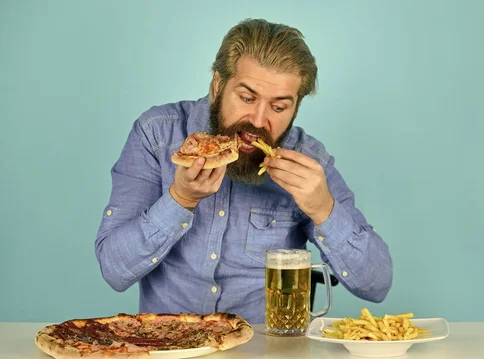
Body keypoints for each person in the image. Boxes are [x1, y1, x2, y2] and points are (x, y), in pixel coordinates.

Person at [95, 18, 393, 324]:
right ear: (217, 85)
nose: (258, 121)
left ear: (296, 107)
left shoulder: (308, 160)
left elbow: (377, 284)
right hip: (170, 345)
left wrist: (324, 210)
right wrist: (179, 199)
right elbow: (114, 270)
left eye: (278, 107)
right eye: (247, 98)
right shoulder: (157, 135)